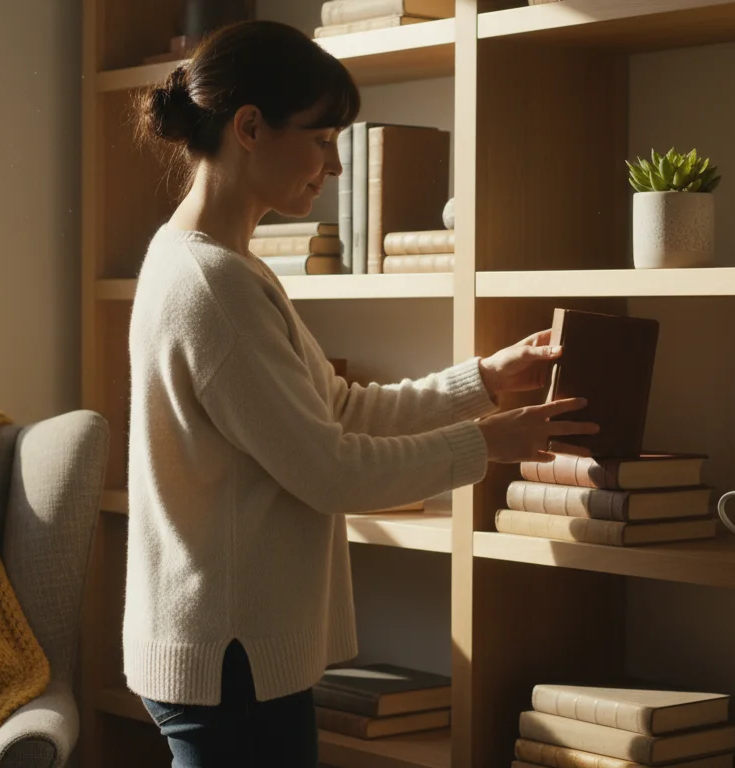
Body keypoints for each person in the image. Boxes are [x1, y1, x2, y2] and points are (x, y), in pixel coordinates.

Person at [124, 19, 598, 767]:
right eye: (321, 139)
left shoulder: (220, 265)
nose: (335, 167)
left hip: (229, 650)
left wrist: (483, 382)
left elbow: (337, 411)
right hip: (230, 658)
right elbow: (332, 468)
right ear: (250, 127)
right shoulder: (213, 285)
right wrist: (487, 444)